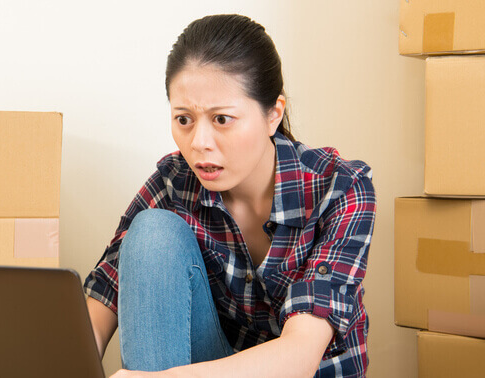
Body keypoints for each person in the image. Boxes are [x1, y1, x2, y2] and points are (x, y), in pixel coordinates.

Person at [83, 14, 376, 378]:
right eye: (184, 119)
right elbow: (99, 308)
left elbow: (300, 356)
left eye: (221, 119)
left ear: (273, 115)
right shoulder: (174, 182)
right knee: (152, 234)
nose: (199, 143)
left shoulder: (341, 187)